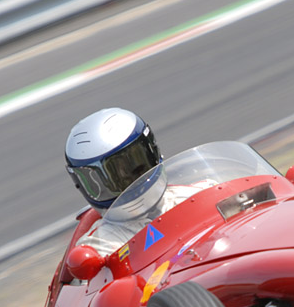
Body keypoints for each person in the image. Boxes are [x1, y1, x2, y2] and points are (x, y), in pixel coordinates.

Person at [64, 108, 216, 257]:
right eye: (112, 176)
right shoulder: (99, 247)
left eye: (135, 165)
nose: (127, 180)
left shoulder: (204, 192)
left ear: (152, 151)